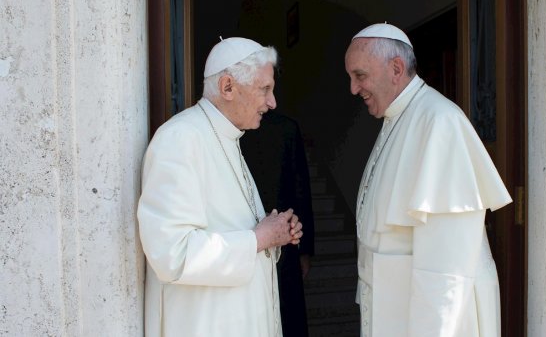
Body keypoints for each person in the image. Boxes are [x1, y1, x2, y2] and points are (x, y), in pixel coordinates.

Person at [344, 23, 513, 337]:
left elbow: (447, 271)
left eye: (360, 76)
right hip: (394, 311)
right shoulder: (399, 117)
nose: (354, 89)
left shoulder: (440, 122)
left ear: (396, 68)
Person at [137, 37, 303, 337]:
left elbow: (238, 231)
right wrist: (258, 239)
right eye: (264, 89)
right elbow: (172, 254)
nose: (272, 102)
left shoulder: (228, 138)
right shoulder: (180, 139)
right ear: (228, 87)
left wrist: (274, 232)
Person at [241, 110, 315, 337]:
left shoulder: (287, 128)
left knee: (287, 314)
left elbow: (300, 188)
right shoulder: (228, 132)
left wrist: (304, 249)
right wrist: (305, 250)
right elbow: (300, 190)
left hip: (285, 238)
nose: (271, 99)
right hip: (249, 243)